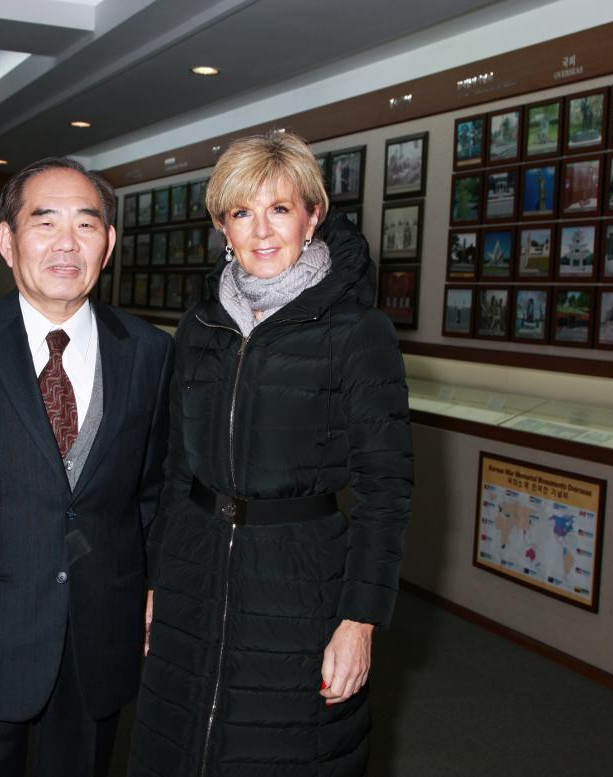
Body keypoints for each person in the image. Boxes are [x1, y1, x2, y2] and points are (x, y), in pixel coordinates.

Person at [129, 132, 413, 777]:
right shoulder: (199, 328)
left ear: (312, 216)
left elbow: (386, 488)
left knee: (282, 751)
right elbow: (175, 468)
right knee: (179, 746)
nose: (261, 231)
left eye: (279, 209)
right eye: (241, 212)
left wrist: (359, 620)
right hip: (193, 565)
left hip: (302, 580)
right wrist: (155, 578)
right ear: (221, 226)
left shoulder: (357, 331)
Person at [0, 157, 173, 777]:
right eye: (45, 223)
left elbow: (153, 491)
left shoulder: (149, 351)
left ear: (110, 243)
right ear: (7, 241)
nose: (66, 243)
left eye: (86, 225)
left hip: (101, 627)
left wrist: (153, 587)